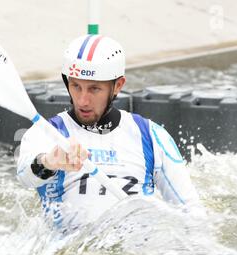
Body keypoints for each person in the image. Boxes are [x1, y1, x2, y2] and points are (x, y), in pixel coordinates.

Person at [16, 34, 199, 231]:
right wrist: (49, 161)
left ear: (118, 86)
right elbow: (25, 175)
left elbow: (190, 210)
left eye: (94, 89)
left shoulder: (152, 136)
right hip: (69, 252)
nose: (82, 100)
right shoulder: (47, 133)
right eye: (76, 86)